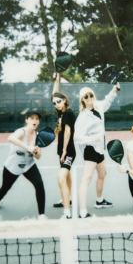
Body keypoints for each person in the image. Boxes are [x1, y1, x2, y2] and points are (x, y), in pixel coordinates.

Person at [0, 111, 48, 220]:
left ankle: (42, 215)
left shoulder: (38, 136)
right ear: (27, 120)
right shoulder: (21, 132)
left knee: (39, 184)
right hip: (12, 166)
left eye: (37, 119)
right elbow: (11, 138)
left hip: (29, 165)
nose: (34, 120)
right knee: (5, 187)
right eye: (32, 118)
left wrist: (35, 152)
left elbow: (39, 156)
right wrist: (28, 147)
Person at [72, 82, 120, 218]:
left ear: (93, 95)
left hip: (99, 149)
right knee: (86, 179)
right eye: (85, 97)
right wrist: (93, 140)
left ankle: (99, 201)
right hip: (91, 149)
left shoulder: (98, 107)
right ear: (82, 100)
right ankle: (82, 212)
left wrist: (114, 89)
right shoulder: (82, 116)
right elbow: (77, 137)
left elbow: (107, 101)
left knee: (102, 174)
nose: (89, 98)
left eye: (90, 95)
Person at [50, 79, 76, 219]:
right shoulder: (61, 113)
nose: (56, 105)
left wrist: (65, 151)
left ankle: (67, 212)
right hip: (62, 151)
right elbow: (55, 93)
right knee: (67, 176)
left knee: (61, 179)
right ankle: (68, 198)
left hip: (68, 151)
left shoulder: (68, 113)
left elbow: (68, 132)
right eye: (54, 103)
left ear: (65, 100)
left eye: (58, 102)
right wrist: (57, 78)